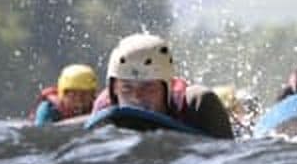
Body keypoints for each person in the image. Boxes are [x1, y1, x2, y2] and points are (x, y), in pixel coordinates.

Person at [92, 33, 234, 139]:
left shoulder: (198, 104)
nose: (136, 97)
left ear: (168, 89)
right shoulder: (103, 112)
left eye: (148, 87)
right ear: (114, 90)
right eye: (127, 88)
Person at [33, 64, 98, 126]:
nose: (79, 101)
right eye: (73, 95)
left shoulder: (98, 106)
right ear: (62, 94)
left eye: (84, 95)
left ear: (92, 96)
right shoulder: (47, 109)